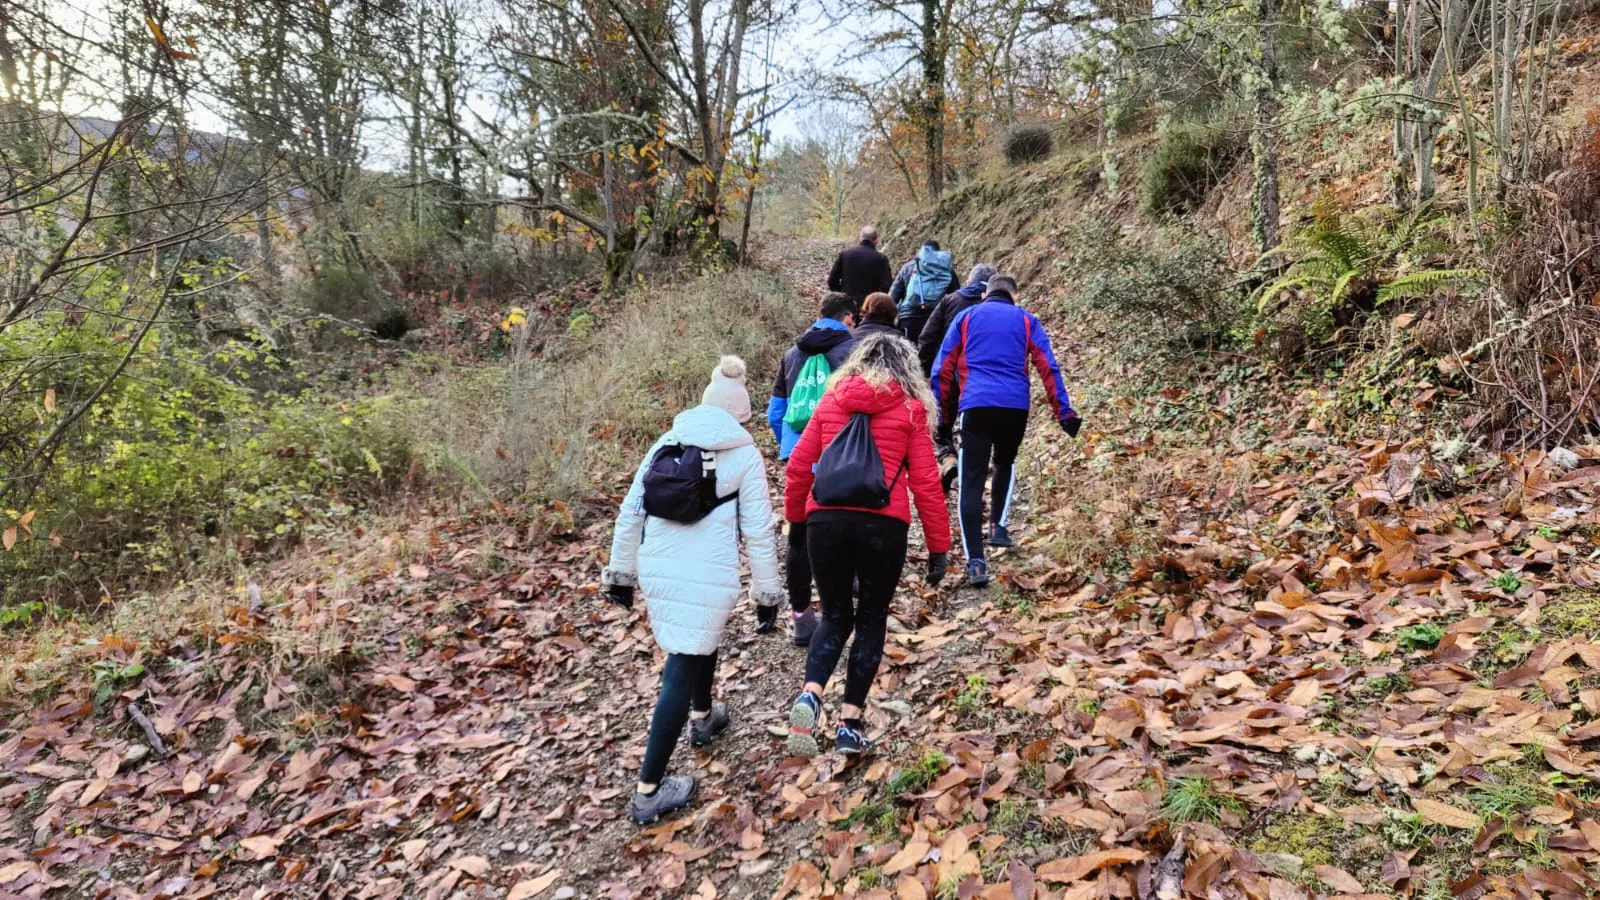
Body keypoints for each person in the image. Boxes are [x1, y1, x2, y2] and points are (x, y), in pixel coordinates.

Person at [603, 356, 784, 824]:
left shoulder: (666, 441)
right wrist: (768, 595)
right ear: (741, 416)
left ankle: (704, 716)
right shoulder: (743, 453)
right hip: (708, 569)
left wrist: (620, 575)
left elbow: (631, 512)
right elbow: (760, 532)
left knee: (698, 636)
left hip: (657, 566)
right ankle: (649, 790)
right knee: (683, 660)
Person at [783, 334, 952, 758]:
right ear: (905, 368)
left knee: (835, 614)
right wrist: (939, 546)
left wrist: (798, 522)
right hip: (883, 526)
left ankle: (810, 695)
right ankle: (849, 725)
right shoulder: (911, 409)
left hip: (825, 520)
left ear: (857, 362)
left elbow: (800, 466)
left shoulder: (832, 400)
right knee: (872, 616)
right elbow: (928, 484)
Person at [930, 275, 1080, 588]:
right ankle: (998, 526)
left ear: (985, 294)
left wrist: (941, 416)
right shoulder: (1027, 320)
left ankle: (976, 561)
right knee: (1005, 462)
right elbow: (1048, 366)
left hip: (976, 406)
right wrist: (1063, 413)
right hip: (1015, 407)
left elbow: (942, 368)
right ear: (1015, 294)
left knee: (970, 481)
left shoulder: (966, 317)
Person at [768, 292, 859, 645]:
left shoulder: (792, 355)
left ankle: (802, 617)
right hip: (843, 456)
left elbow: (776, 413)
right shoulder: (853, 354)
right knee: (847, 525)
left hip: (800, 460)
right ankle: (843, 595)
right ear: (848, 318)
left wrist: (791, 448)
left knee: (799, 536)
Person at [918, 263, 997, 491]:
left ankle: (948, 456)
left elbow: (927, 337)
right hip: (982, 377)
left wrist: (923, 370)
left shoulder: (950, 300)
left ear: (969, 280)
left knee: (942, 423)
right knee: (975, 423)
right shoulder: (997, 306)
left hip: (949, 373)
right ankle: (974, 467)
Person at [889, 240, 958, 344]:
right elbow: (956, 297)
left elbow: (892, 297)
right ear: (937, 253)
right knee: (930, 356)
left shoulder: (908, 267)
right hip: (935, 320)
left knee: (909, 355)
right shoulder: (946, 271)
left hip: (909, 320)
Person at [827, 225, 893, 310]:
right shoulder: (881, 259)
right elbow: (886, 285)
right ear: (876, 241)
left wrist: (842, 295)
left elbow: (832, 280)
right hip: (869, 306)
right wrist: (876, 301)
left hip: (847, 304)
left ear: (859, 239)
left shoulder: (845, 255)